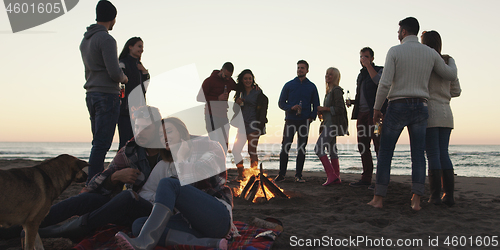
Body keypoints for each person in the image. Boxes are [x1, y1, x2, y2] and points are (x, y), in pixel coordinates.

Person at [30, 106, 164, 241]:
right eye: (137, 126)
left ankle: (66, 230)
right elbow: (95, 185)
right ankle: (24, 226)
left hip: (155, 211)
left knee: (127, 196)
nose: (140, 131)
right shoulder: (130, 151)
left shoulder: (171, 151)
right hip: (124, 209)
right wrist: (114, 177)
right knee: (85, 200)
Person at [368, 17, 457, 211]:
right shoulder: (430, 53)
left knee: (385, 153)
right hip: (421, 106)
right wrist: (452, 62)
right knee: (418, 155)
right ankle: (416, 201)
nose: (397, 34)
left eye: (399, 30)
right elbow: (450, 75)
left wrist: (376, 108)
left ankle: (378, 198)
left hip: (398, 104)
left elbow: (385, 83)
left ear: (404, 32)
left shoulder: (395, 51)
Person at [115, 117, 233, 250]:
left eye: (169, 132)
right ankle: (210, 243)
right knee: (139, 225)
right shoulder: (164, 165)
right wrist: (166, 200)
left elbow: (198, 175)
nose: (164, 137)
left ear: (182, 132)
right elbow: (144, 193)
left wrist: (181, 159)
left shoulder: (209, 146)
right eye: (160, 135)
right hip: (188, 222)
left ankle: (144, 242)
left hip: (216, 218)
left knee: (169, 183)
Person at [81, 0, 128, 183]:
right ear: (113, 18)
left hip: (91, 94)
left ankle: (94, 179)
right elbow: (115, 73)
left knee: (97, 142)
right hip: (106, 95)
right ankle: (93, 182)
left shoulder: (86, 40)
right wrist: (124, 78)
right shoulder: (107, 39)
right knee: (102, 143)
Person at [421, 30, 461, 206]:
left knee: (433, 154)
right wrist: (444, 93)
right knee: (444, 153)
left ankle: (435, 195)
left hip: (430, 111)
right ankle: (449, 195)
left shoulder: (426, 62)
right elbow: (457, 91)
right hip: (447, 113)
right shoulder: (448, 63)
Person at [275, 60, 320, 183]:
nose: (300, 69)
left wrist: (311, 117)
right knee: (285, 146)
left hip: (304, 121)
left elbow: (316, 105)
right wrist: (291, 108)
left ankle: (298, 175)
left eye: (302, 68)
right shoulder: (289, 85)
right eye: (299, 67)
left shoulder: (311, 86)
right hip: (290, 120)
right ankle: (281, 174)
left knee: (301, 148)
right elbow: (280, 103)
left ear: (307, 70)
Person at [348, 47, 385, 189]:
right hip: (362, 116)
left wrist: (368, 66)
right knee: (363, 146)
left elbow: (379, 82)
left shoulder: (380, 70)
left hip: (376, 115)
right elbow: (361, 95)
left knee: (378, 145)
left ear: (372, 58)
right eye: (361, 56)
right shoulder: (361, 75)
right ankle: (366, 178)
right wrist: (352, 102)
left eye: (366, 57)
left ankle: (380, 180)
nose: (363, 59)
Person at [232, 69, 269, 181]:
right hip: (242, 125)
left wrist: (261, 124)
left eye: (250, 78)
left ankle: (253, 175)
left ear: (253, 79)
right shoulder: (240, 92)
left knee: (252, 151)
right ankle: (241, 173)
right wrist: (236, 103)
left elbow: (265, 104)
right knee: (235, 150)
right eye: (245, 79)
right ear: (242, 80)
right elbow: (234, 109)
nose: (248, 80)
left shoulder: (257, 92)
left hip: (254, 124)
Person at [315, 67, 348, 185]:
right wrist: (323, 113)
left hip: (333, 125)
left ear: (335, 77)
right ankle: (336, 177)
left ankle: (331, 175)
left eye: (330, 75)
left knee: (318, 148)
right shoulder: (329, 92)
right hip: (328, 124)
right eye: (326, 74)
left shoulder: (336, 90)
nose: (327, 76)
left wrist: (324, 108)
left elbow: (340, 108)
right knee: (332, 150)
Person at [118, 37, 150, 150]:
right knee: (125, 141)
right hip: (126, 110)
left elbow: (144, 88)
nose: (142, 50)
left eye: (142, 47)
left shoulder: (139, 65)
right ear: (130, 47)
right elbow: (120, 84)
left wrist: (145, 72)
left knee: (139, 141)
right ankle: (121, 165)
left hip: (140, 110)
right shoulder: (123, 63)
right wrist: (121, 102)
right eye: (139, 46)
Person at [196, 62, 237, 152]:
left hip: (223, 115)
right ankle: (214, 165)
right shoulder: (209, 81)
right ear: (221, 70)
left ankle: (223, 164)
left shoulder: (229, 81)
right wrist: (217, 98)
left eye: (229, 77)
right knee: (214, 142)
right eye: (225, 76)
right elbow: (199, 98)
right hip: (211, 115)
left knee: (225, 144)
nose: (227, 78)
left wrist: (254, 86)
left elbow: (239, 87)